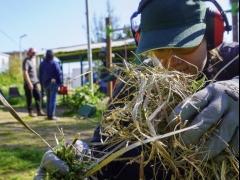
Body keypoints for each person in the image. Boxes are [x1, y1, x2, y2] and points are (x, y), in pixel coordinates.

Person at [34, 0, 239, 179]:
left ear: (211, 33)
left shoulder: (233, 60)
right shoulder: (134, 87)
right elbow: (105, 149)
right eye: (159, 49)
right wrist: (79, 158)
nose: (171, 61)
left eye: (185, 45)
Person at [39, 50, 63, 120]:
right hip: (53, 83)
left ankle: (48, 115)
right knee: (53, 100)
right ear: (53, 55)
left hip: (45, 84)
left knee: (48, 100)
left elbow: (40, 74)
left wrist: (41, 83)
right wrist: (60, 83)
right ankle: (51, 115)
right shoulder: (54, 63)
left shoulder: (42, 64)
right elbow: (59, 73)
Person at [22, 47, 46, 117]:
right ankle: (31, 112)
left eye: (35, 53)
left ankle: (39, 111)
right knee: (29, 98)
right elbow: (25, 72)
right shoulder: (26, 61)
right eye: (33, 52)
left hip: (35, 83)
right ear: (29, 52)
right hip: (29, 83)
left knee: (38, 96)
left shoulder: (31, 61)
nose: (34, 54)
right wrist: (29, 83)